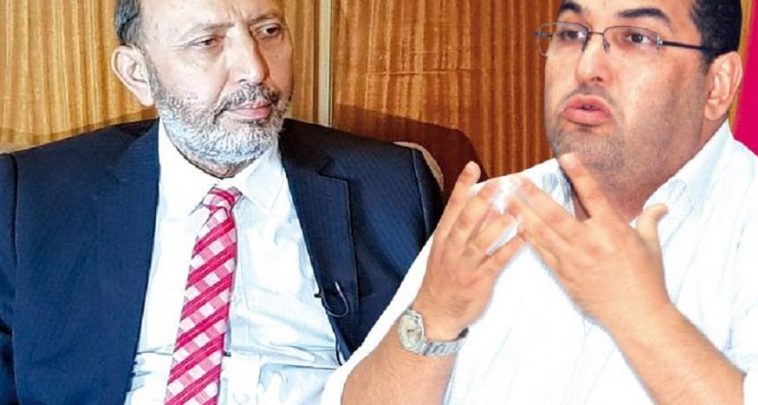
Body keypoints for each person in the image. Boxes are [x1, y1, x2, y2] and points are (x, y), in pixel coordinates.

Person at [323, 0, 758, 403]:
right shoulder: (492, 208)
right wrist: (434, 316)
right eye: (572, 34)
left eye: (637, 38)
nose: (587, 67)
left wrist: (642, 318)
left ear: (717, 85)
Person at [0, 0, 442, 403]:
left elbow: (447, 361)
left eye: (268, 31)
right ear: (138, 73)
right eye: (207, 42)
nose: (254, 69)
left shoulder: (393, 186)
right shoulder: (35, 197)